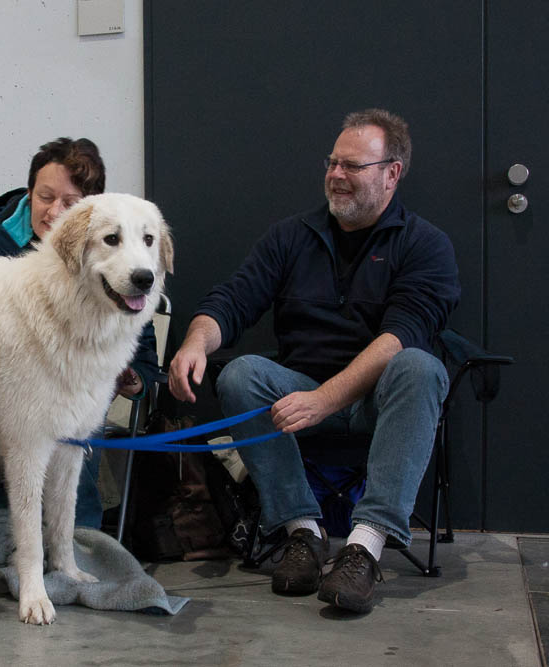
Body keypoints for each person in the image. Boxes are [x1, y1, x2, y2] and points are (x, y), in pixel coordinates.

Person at [168, 109, 460, 613]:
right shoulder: (291, 236)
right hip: (300, 387)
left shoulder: (426, 246)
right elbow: (233, 300)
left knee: (420, 366)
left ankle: (364, 548)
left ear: (392, 174)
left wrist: (324, 400)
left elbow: (398, 339)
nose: (336, 175)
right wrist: (196, 342)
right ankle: (302, 533)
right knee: (240, 373)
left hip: (379, 402)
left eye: (353, 166)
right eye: (332, 162)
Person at [0, 137, 162, 529]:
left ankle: (73, 547)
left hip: (69, 397)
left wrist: (138, 378)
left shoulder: (115, 256)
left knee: (76, 488)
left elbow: (137, 337)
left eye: (70, 203)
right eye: (45, 197)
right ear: (29, 193)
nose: (54, 212)